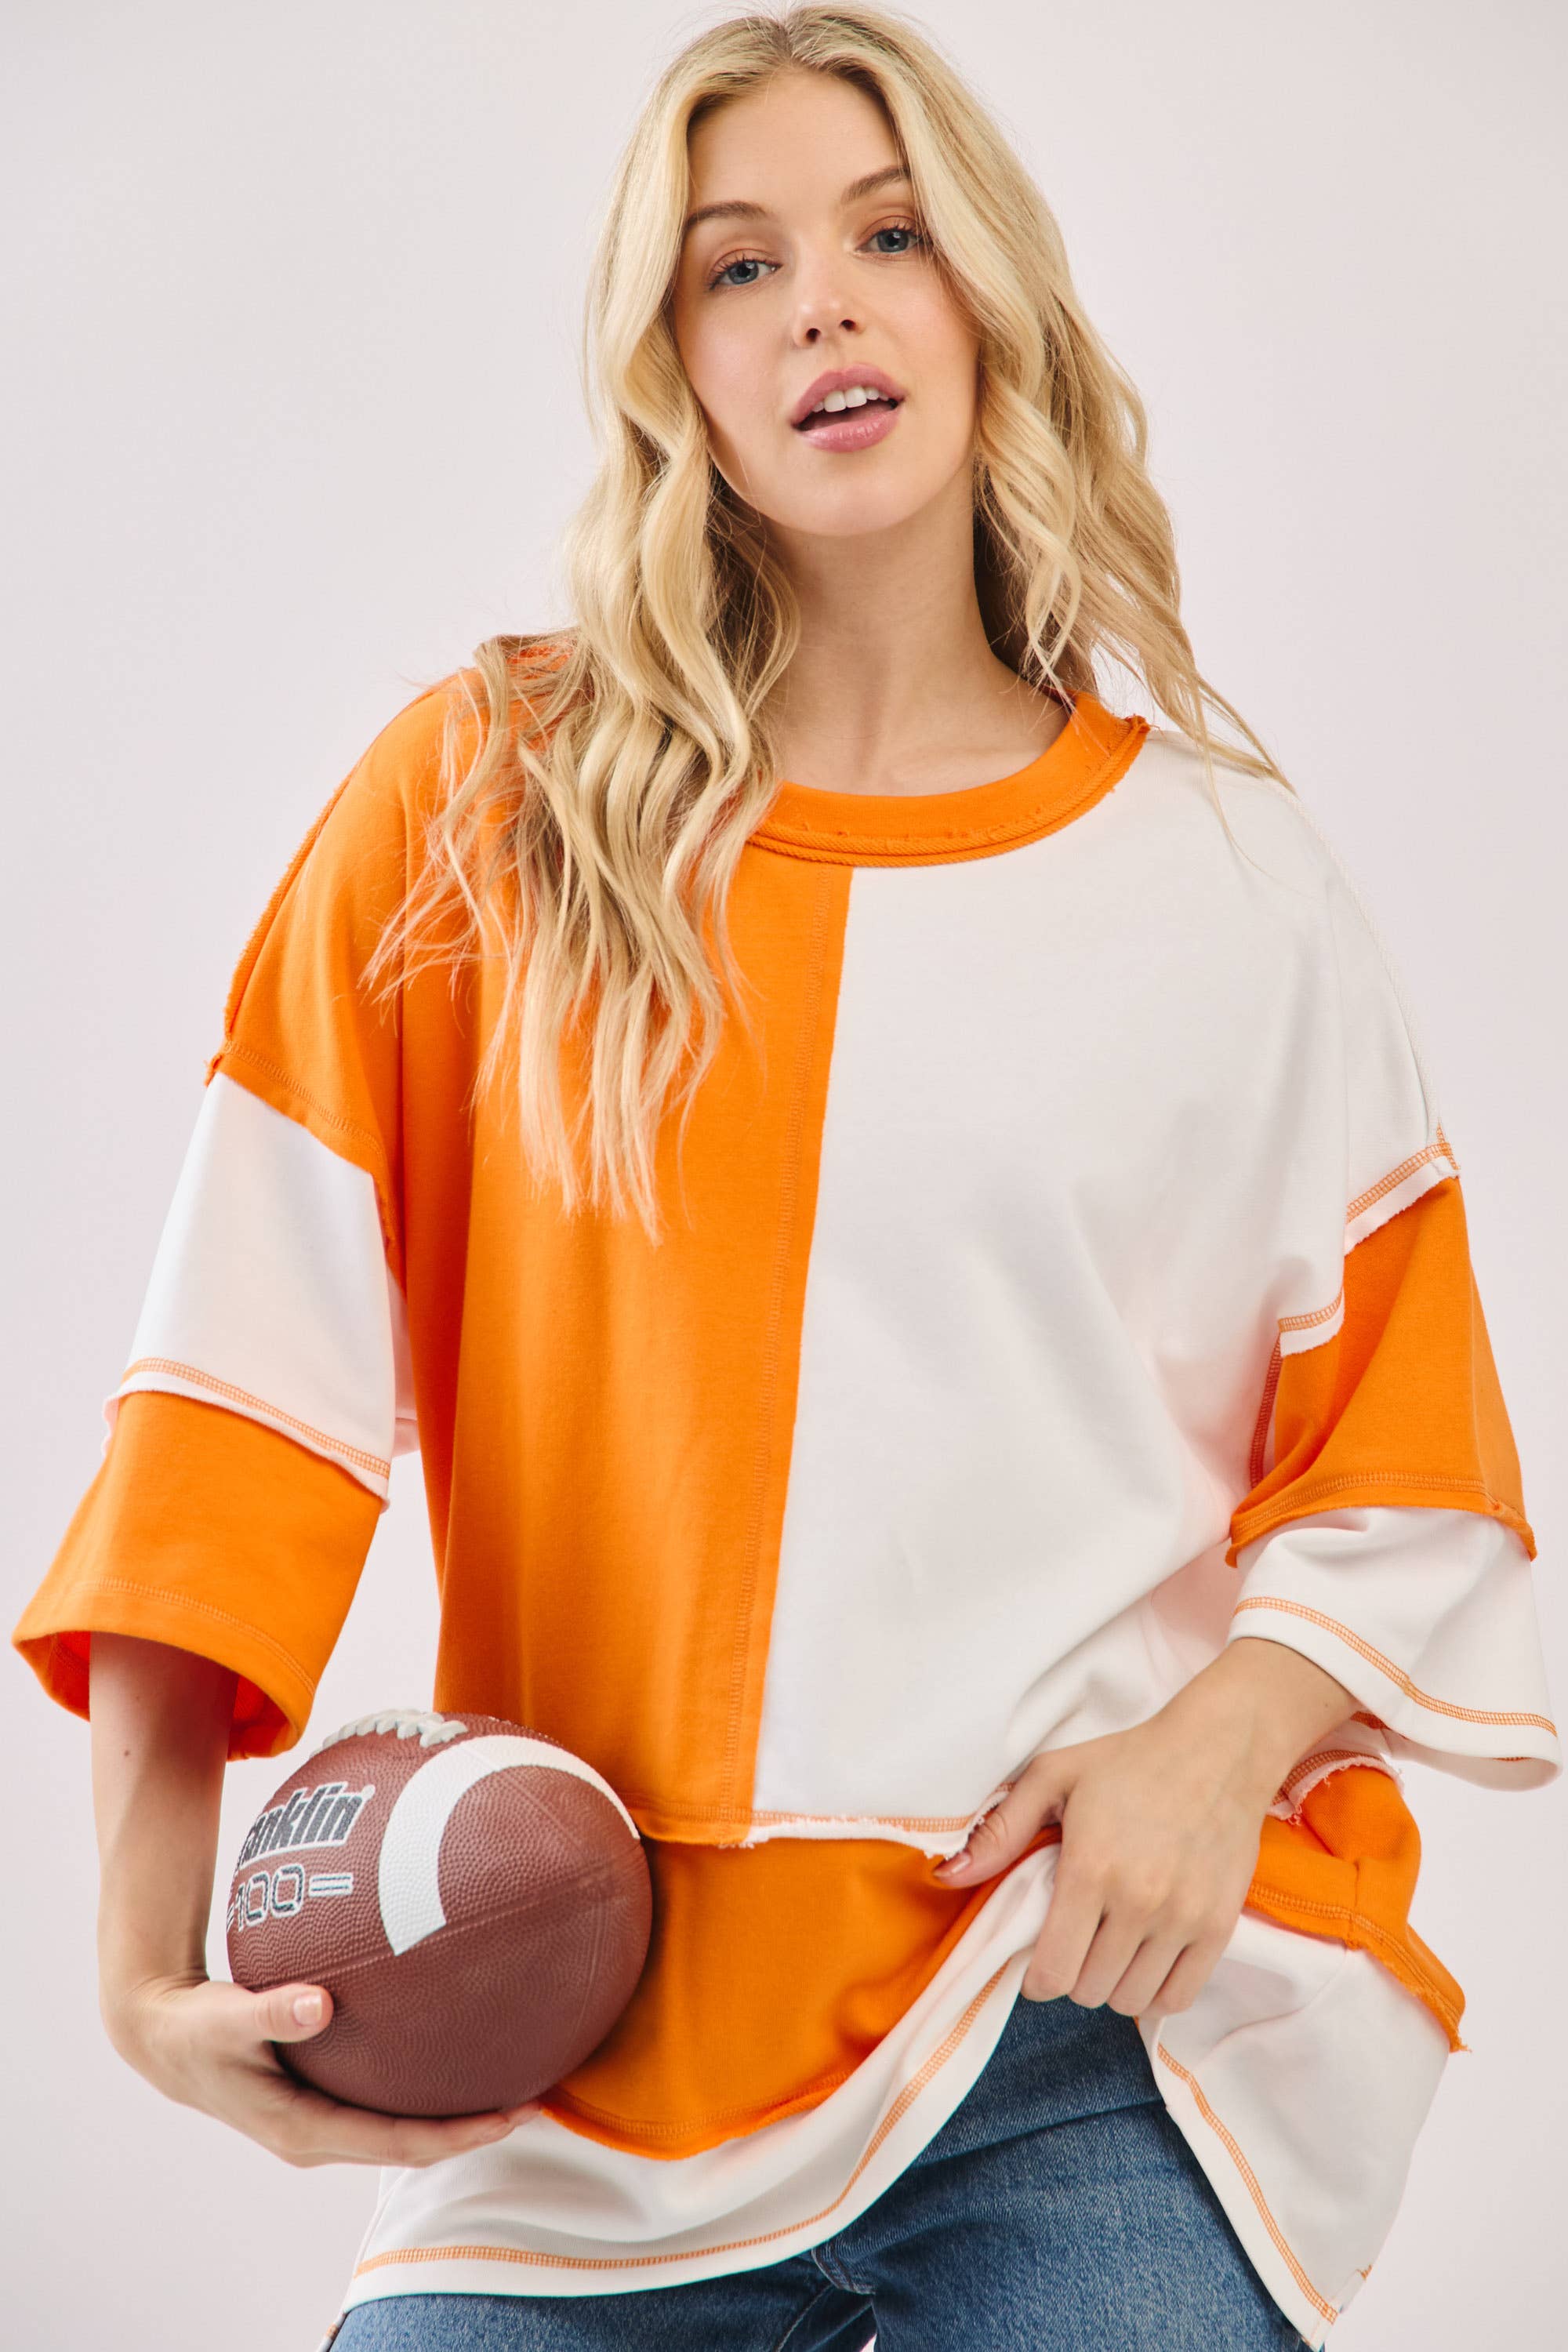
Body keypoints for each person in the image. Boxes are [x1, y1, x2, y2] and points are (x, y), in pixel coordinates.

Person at [13, 9, 1559, 2350]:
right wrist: (142, 1963)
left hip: (1080, 2030)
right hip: (571, 2063)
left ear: (988, 298)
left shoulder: (1232, 884)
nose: (822, 302)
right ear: (680, 372)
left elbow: (1408, 1459)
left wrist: (1215, 1748)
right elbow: (237, 1396)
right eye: (738, 265)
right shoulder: (482, 811)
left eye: (889, 233)